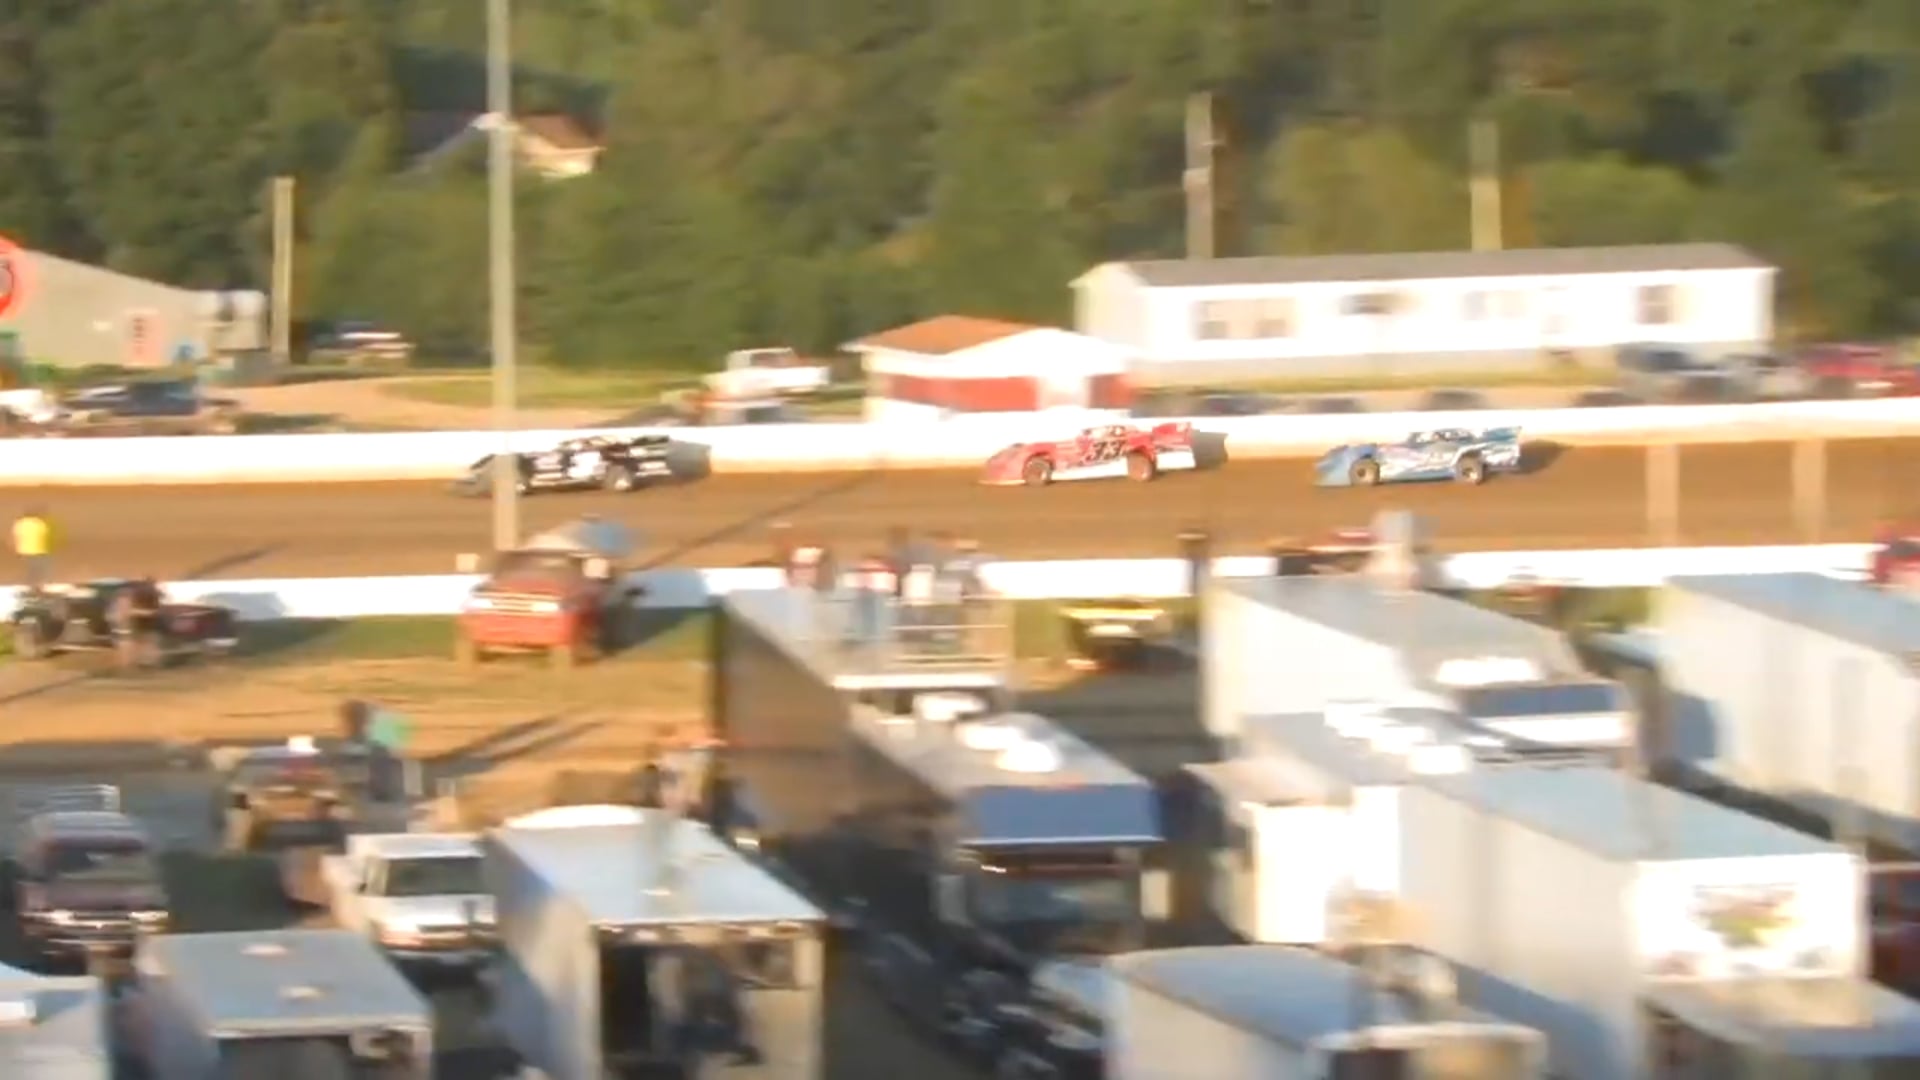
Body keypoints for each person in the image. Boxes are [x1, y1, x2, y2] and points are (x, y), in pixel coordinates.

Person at [11, 505, 51, 590]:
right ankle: (39, 584)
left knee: (32, 568)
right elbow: (44, 535)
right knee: (42, 568)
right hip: (38, 549)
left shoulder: (19, 523)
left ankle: (32, 584)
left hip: (24, 550)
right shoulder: (39, 523)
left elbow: (15, 536)